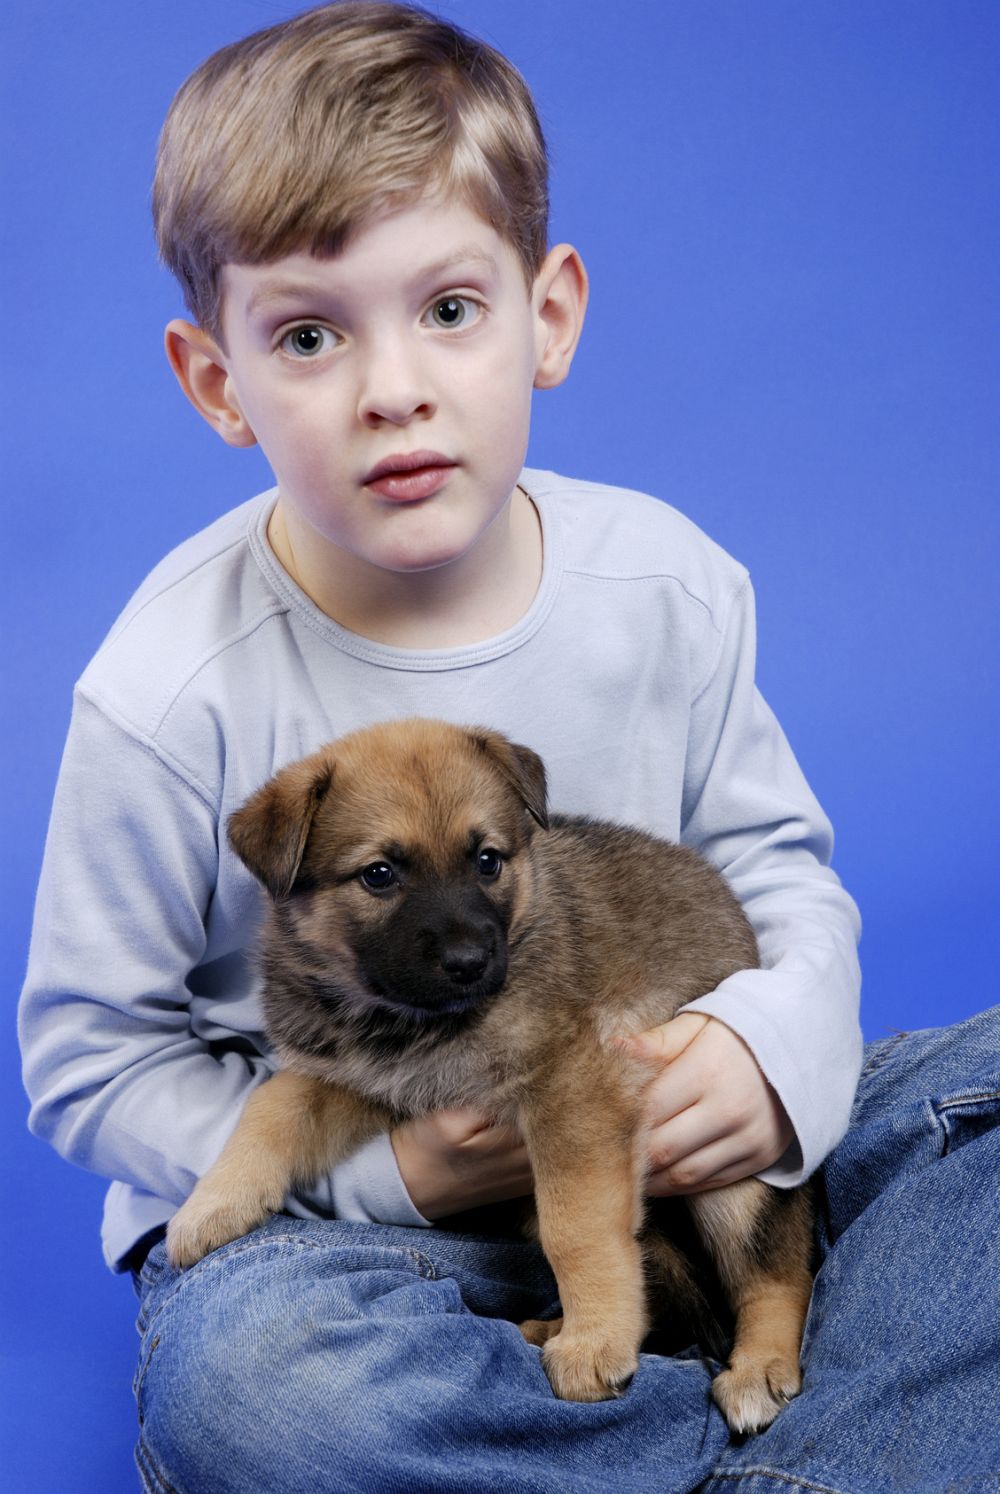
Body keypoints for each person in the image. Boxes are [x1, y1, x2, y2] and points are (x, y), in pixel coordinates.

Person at [17, 3, 999, 1490]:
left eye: (450, 309)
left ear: (549, 316)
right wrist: (389, 1177)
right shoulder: (165, 689)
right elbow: (87, 1059)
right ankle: (835, 1443)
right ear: (218, 382)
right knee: (260, 1389)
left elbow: (783, 883)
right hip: (365, 1253)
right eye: (308, 334)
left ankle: (669, 1421)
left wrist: (767, 1059)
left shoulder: (668, 583)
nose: (392, 387)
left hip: (672, 1156)